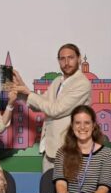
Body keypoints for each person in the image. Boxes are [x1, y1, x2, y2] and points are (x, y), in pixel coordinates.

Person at [12, 43, 91, 171]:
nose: (66, 62)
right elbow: (41, 104)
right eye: (62, 58)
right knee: (47, 188)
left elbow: (55, 110)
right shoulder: (57, 81)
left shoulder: (82, 83)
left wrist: (27, 92)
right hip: (50, 149)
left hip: (69, 150)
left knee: (68, 190)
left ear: (79, 58)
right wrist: (21, 86)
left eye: (70, 58)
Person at [52, 105, 111, 193]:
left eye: (87, 123)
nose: (82, 127)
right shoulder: (62, 152)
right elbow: (61, 183)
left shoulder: (108, 155)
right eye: (77, 123)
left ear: (93, 125)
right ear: (72, 126)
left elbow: (103, 188)